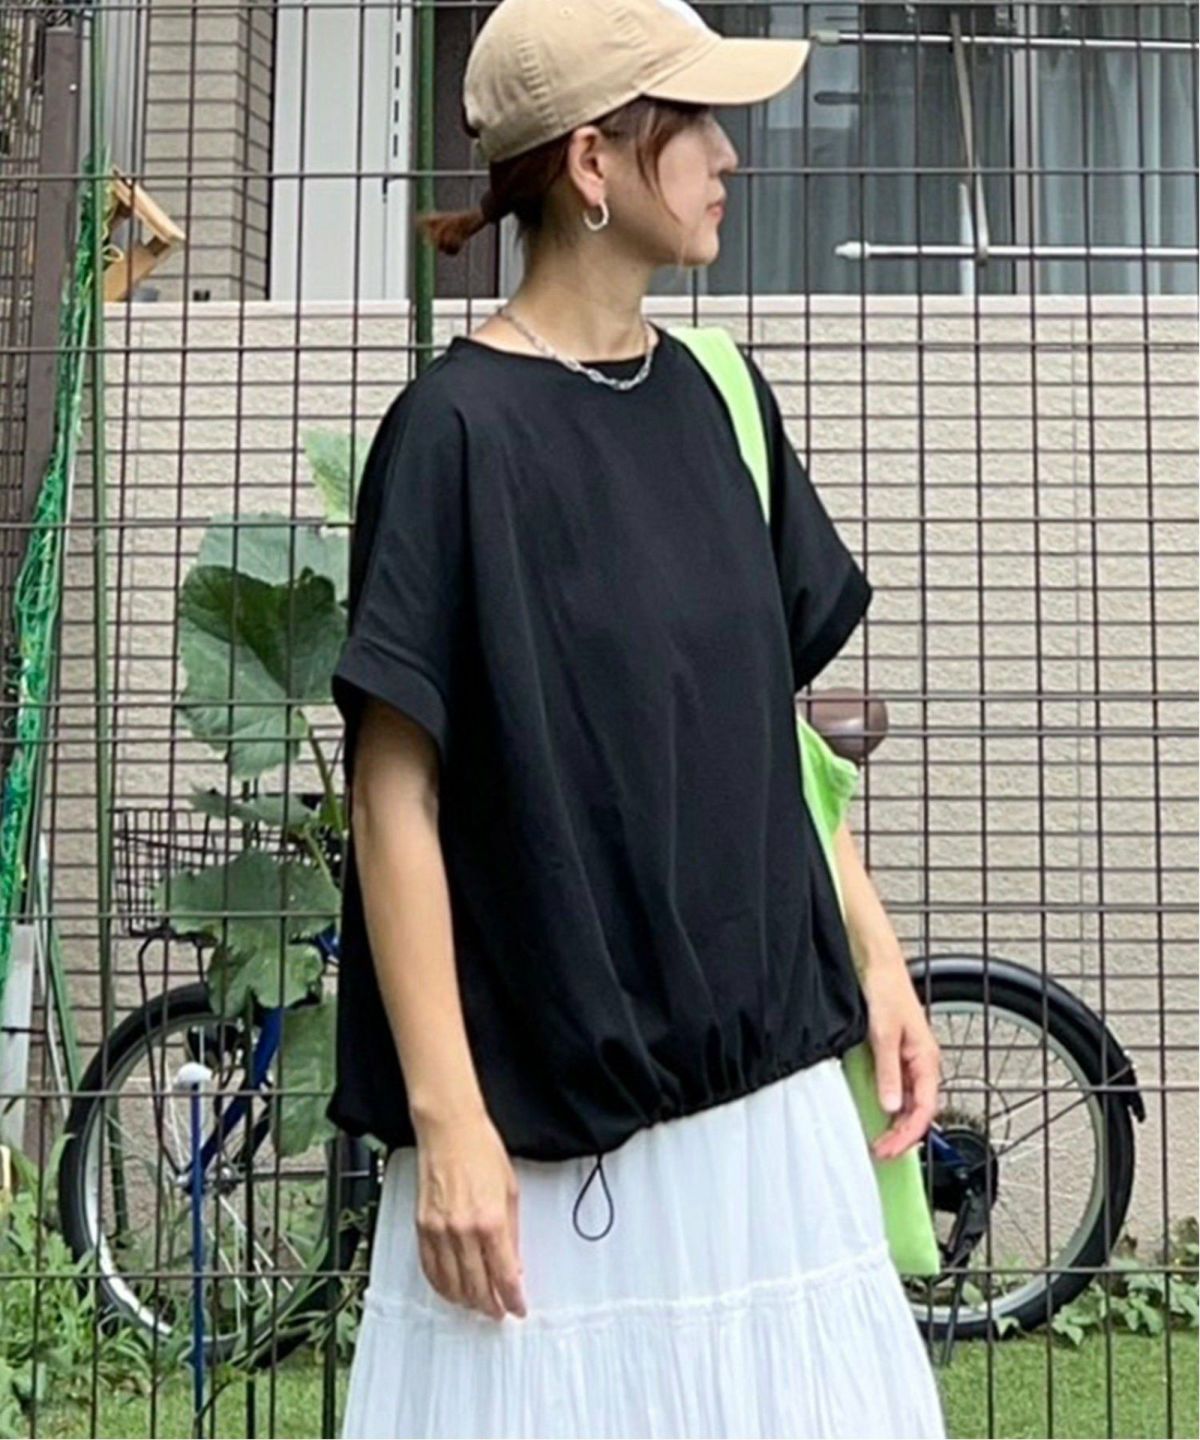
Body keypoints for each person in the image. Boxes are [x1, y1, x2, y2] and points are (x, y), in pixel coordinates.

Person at [329, 0, 948, 1433]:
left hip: (767, 1121)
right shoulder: (454, 436)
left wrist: (877, 961)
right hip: (552, 1148)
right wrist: (447, 1118)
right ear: (593, 161)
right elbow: (391, 795)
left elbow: (768, 741)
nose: (730, 155)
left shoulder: (723, 401)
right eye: (696, 123)